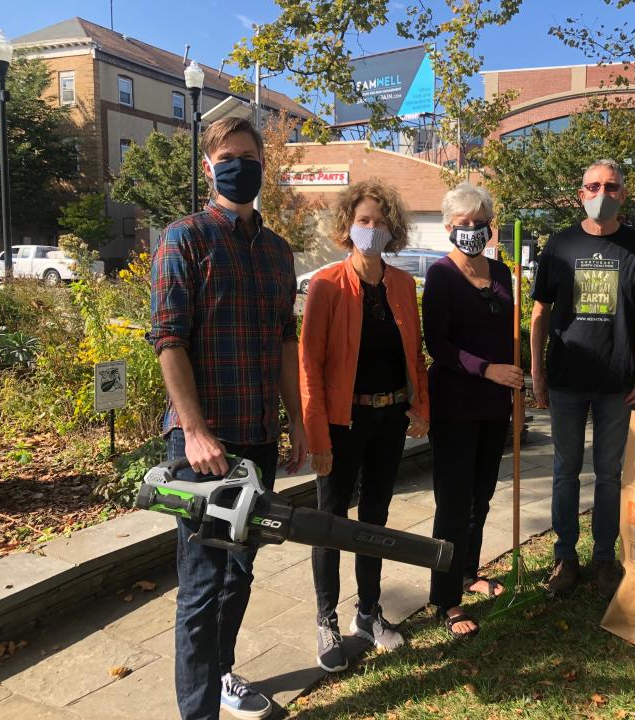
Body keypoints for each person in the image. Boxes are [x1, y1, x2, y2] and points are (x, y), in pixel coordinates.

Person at [148, 117, 307, 720]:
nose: (241, 165)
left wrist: (294, 421)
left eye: (251, 155)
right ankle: (198, 712)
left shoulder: (277, 252)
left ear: (263, 166)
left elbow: (284, 343)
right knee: (200, 586)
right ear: (210, 166)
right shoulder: (183, 239)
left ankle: (221, 677)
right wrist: (192, 431)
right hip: (203, 446)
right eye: (229, 155)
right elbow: (169, 341)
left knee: (240, 572)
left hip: (259, 438)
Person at [300, 180, 430, 673]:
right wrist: (317, 436)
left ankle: (368, 613)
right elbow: (309, 365)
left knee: (374, 519)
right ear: (348, 226)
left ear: (393, 229)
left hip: (390, 415)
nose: (371, 229)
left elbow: (414, 355)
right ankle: (325, 618)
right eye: (364, 220)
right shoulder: (327, 285)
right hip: (342, 421)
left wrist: (421, 408)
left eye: (380, 221)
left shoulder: (402, 286)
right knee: (329, 523)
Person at [530, 159, 635, 597]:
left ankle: (605, 560)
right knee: (565, 471)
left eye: (611, 187)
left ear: (623, 195)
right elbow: (540, 313)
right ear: (580, 194)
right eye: (593, 186)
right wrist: (537, 370)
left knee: (610, 475)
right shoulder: (559, 245)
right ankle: (565, 557)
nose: (601, 194)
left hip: (618, 384)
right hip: (566, 380)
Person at [422, 183, 521, 638]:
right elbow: (437, 344)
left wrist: (516, 381)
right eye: (463, 225)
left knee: (481, 496)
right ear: (448, 229)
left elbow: (510, 338)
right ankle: (445, 598)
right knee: (453, 502)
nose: (472, 231)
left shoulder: (503, 274)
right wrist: (487, 370)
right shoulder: (441, 276)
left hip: (494, 406)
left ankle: (468, 573)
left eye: (479, 223)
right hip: (456, 404)